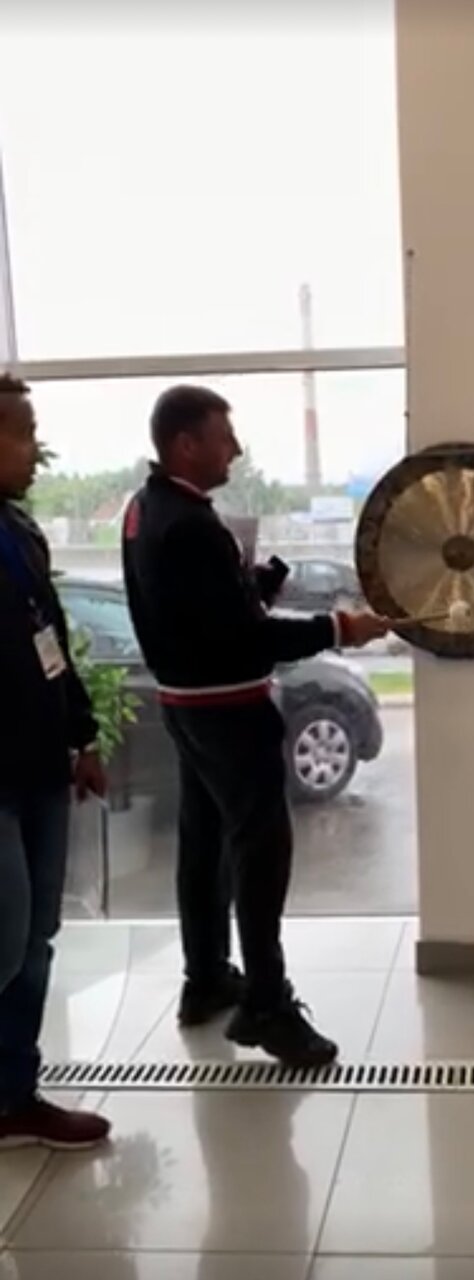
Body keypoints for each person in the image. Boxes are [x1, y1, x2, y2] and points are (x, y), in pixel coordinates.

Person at [123, 385, 388, 1068]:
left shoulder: (145, 509)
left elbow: (196, 616)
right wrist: (340, 627)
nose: (235, 450)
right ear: (185, 443)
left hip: (184, 705)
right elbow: (243, 640)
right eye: (224, 437)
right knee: (260, 852)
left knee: (203, 843)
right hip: (228, 710)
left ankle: (207, 976)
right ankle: (267, 1006)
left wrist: (251, 587)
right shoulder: (190, 524)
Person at [0, 373, 110, 1150]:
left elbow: (52, 644)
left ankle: (15, 1095)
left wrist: (83, 736)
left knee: (37, 934)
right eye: (23, 433)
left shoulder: (21, 533)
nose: (35, 451)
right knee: (4, 938)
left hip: (39, 765)